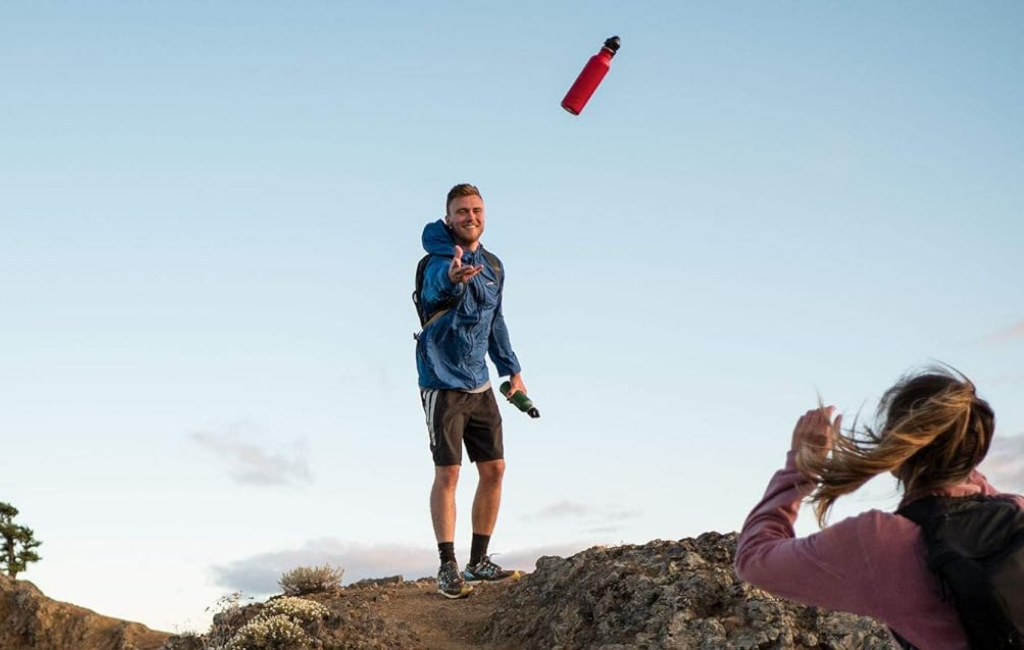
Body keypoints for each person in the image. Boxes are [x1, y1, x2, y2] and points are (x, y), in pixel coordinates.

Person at [735, 366, 1024, 649]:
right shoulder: (1016, 512)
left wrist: (800, 468)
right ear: (978, 450)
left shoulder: (877, 542)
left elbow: (753, 559)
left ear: (895, 443)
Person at [416, 183, 527, 599]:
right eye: (461, 211)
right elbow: (433, 293)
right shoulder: (435, 263)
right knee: (449, 473)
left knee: (494, 469)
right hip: (441, 381)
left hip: (480, 382)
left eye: (476, 210)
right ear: (449, 219)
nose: (470, 217)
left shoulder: (494, 266)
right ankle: (447, 566)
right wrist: (451, 278)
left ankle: (479, 560)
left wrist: (512, 370)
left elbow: (495, 321)